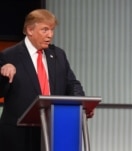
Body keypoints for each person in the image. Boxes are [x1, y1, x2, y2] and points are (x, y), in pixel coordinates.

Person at [0, 9, 87, 151]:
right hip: (18, 136)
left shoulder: (58, 54)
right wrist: (3, 74)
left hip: (53, 130)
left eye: (52, 30)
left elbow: (71, 83)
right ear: (30, 30)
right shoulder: (9, 56)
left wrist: (81, 104)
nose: (50, 35)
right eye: (45, 30)